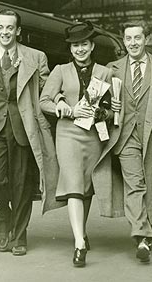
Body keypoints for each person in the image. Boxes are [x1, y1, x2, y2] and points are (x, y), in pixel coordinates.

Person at [0, 8, 59, 256]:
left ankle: (19, 236)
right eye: (1, 27)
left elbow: (46, 90)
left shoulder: (35, 57)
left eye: (10, 28)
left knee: (21, 186)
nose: (5, 32)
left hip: (22, 130)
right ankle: (3, 222)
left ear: (18, 31)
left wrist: (61, 100)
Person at [92, 20, 152, 263]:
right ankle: (142, 236)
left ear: (146, 39)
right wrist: (108, 111)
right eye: (128, 38)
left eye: (137, 38)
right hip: (126, 136)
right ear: (123, 41)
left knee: (150, 184)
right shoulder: (112, 69)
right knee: (136, 183)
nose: (132, 43)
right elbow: (101, 103)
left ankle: (145, 231)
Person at [40, 21, 114, 267]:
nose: (80, 49)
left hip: (93, 135)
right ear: (70, 49)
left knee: (86, 186)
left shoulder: (105, 73)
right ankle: (79, 244)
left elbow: (110, 108)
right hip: (68, 134)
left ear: (92, 46)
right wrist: (62, 106)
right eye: (75, 46)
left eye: (84, 44)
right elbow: (44, 101)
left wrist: (104, 113)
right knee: (73, 184)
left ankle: (80, 231)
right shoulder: (60, 71)